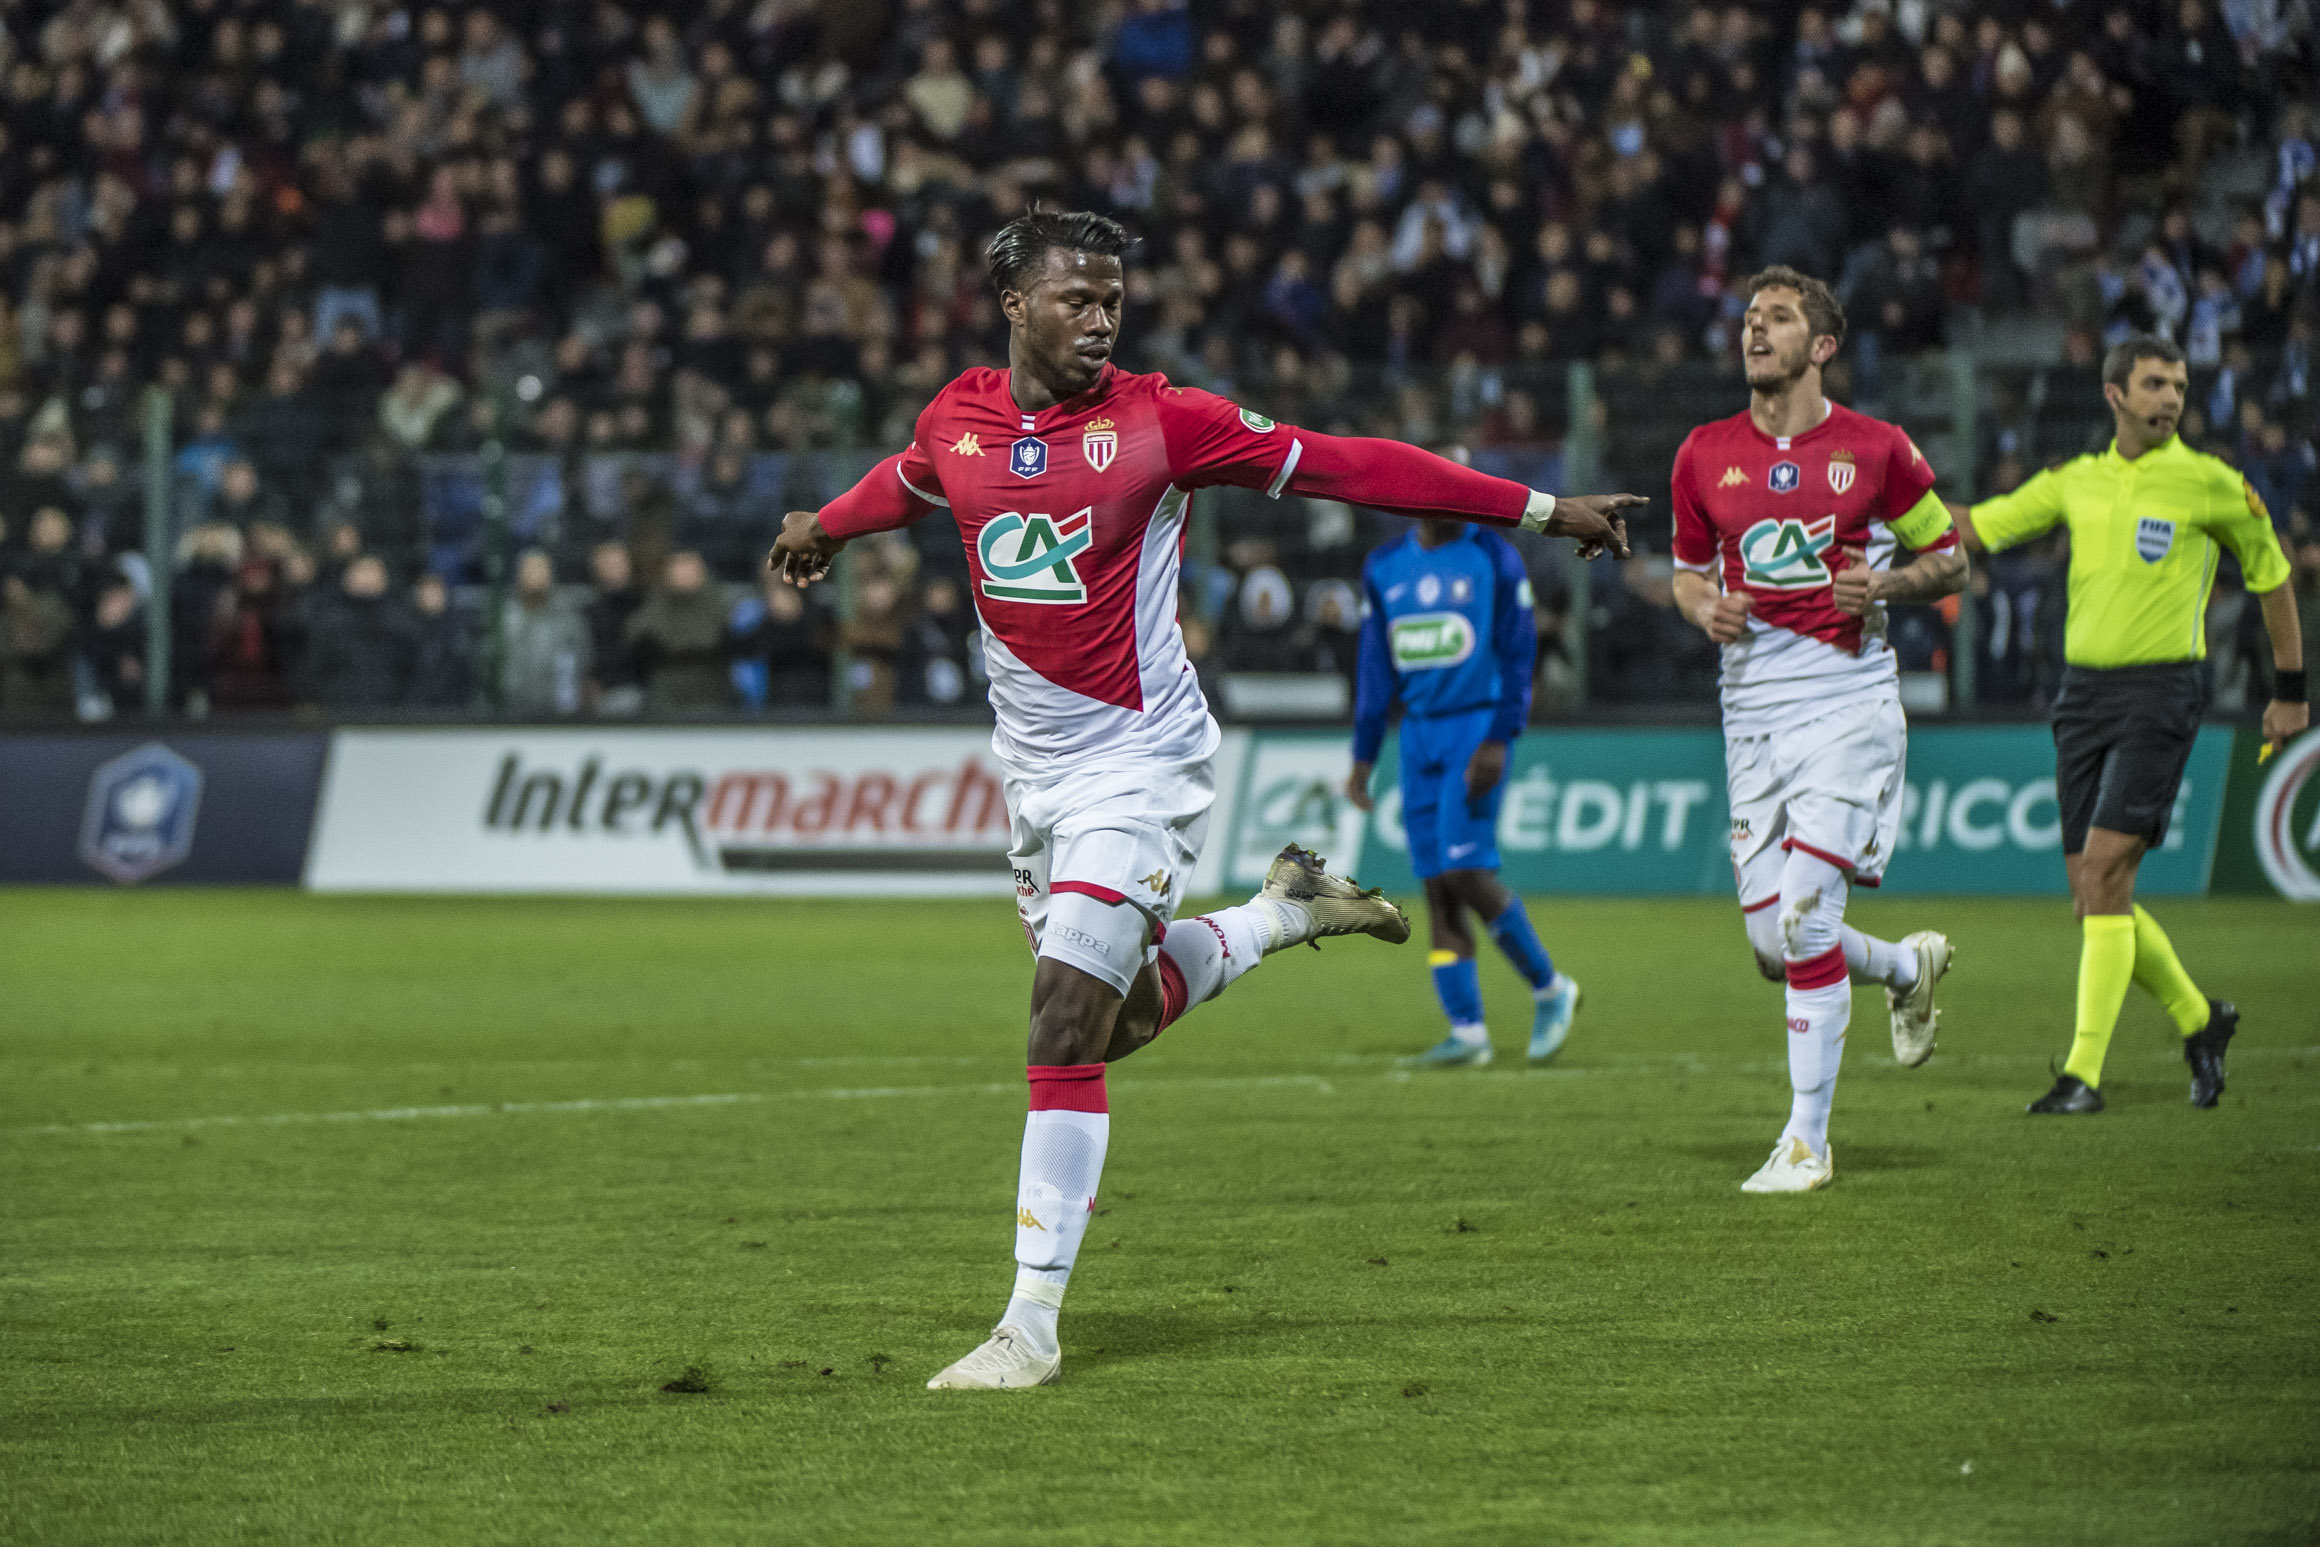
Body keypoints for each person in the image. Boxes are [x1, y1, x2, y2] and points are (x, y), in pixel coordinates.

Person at [768, 209, 1642, 1390]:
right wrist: (824, 524)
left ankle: (1028, 1323)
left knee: (1057, 1023)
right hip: (1034, 777)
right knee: (1116, 1021)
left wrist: (1539, 509)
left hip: (1139, 761)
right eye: (1076, 299)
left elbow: (1353, 461)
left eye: (1114, 300)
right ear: (1014, 305)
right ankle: (1286, 908)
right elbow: (912, 480)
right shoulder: (956, 416)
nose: (1101, 319)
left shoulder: (1162, 422)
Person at [1668, 266, 1968, 1196]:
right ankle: (1906, 966)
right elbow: (1685, 571)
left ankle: (1806, 1141)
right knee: (1775, 946)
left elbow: (1949, 558)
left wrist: (1886, 585)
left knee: (1803, 915)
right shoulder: (1700, 454)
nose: (1756, 330)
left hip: (1847, 704)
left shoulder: (1876, 450)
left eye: (1780, 318)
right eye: (1751, 317)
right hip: (1750, 716)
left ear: (1823, 346)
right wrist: (1701, 606)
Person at [1951, 334, 2306, 1115]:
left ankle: (2082, 1074)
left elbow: (2273, 576)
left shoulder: (2211, 483)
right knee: (2092, 892)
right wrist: (1889, 494)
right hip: (2081, 696)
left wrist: (2291, 690)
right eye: (2153, 384)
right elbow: (1978, 526)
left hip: (2162, 693)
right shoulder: (2077, 481)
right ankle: (2200, 1019)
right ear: (2115, 395)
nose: (2170, 398)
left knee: (2108, 870)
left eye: (2178, 385)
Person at [1345, 493, 1580, 1069]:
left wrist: (1500, 737)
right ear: (1417, 490)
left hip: (1476, 727)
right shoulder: (1384, 567)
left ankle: (1551, 988)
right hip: (1418, 735)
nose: (1458, 496)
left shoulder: (1495, 557)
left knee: (1462, 867)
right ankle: (1468, 1032)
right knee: (1436, 887)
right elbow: (1375, 668)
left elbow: (1521, 652)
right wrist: (1364, 757)